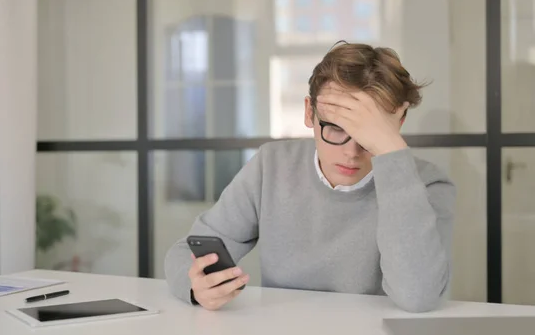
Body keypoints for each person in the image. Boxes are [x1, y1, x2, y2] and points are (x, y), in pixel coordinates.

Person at [164, 41, 455, 313]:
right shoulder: (272, 164)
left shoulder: (426, 184)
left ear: (398, 124)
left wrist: (391, 153)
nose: (352, 152)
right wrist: (196, 287)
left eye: (369, 134)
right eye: (336, 128)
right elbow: (184, 253)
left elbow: (418, 296)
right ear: (309, 112)